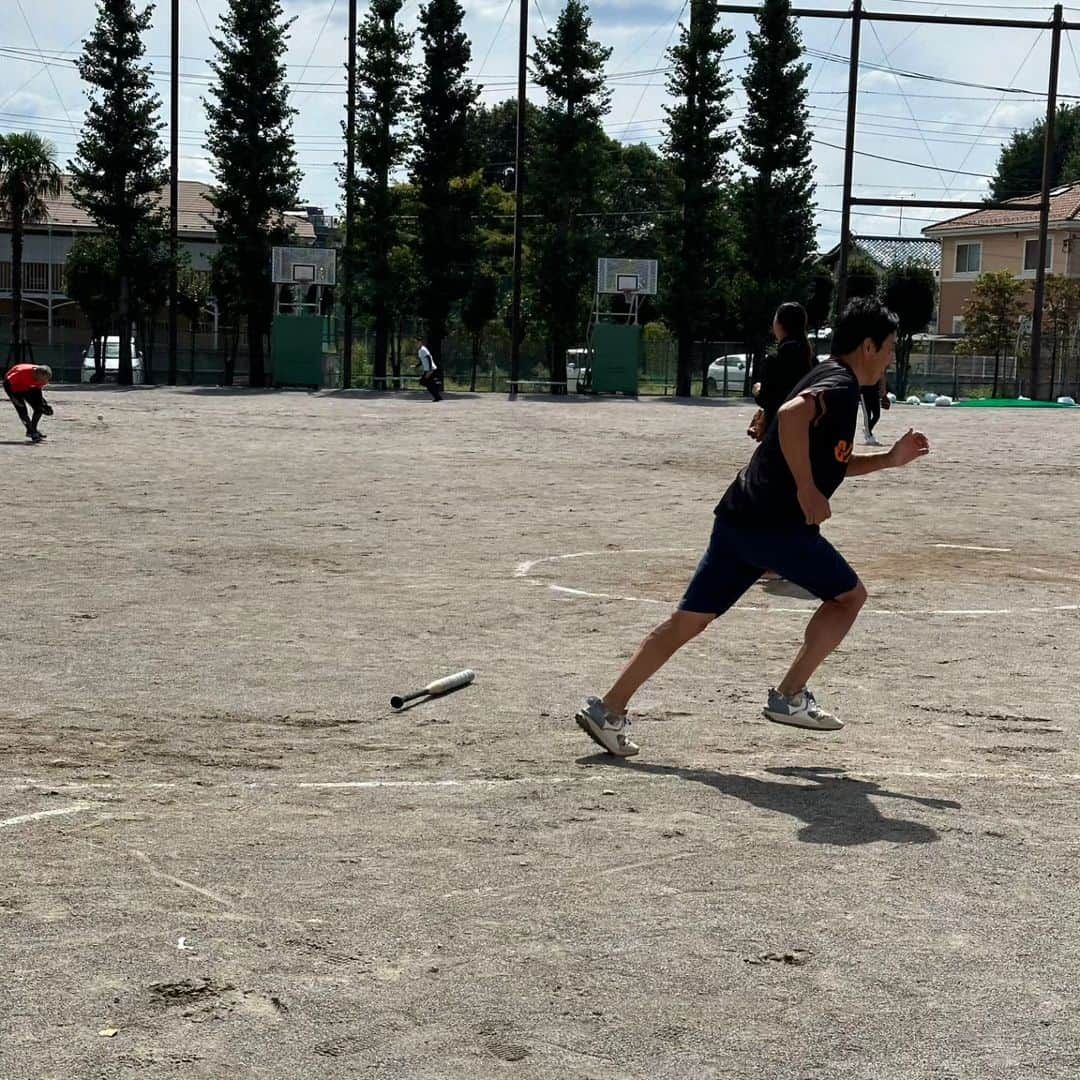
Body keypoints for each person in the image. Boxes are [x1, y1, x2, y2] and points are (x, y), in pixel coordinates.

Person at [575, 298, 930, 757]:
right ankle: (789, 695)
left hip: (740, 516)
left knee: (686, 622)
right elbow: (789, 417)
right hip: (777, 525)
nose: (891, 358)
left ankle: (610, 708)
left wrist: (887, 459)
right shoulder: (839, 385)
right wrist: (805, 487)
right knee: (849, 597)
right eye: (890, 347)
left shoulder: (827, 378)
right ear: (868, 345)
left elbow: (829, 463)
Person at [748, 302, 816, 440]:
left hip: (779, 430)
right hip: (806, 430)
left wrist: (757, 389)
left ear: (779, 324)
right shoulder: (811, 359)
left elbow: (766, 399)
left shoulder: (775, 360)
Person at [3, 363, 54, 443]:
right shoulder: (21, 372)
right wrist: (13, 398)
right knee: (22, 410)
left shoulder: (43, 378)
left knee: (39, 408)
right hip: (13, 387)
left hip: (28, 386)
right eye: (43, 380)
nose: (45, 382)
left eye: (46, 380)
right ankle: (32, 432)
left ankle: (32, 430)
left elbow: (38, 391)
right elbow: (7, 384)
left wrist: (43, 404)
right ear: (37, 374)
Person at [860, 372, 890, 446]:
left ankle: (867, 430)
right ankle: (869, 435)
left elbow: (882, 379)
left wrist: (884, 394)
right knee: (867, 415)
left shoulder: (879, 367)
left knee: (877, 415)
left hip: (875, 393)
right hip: (864, 392)